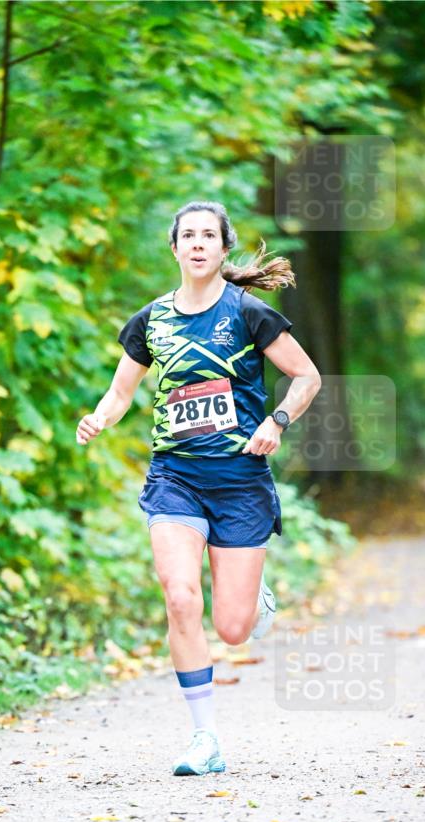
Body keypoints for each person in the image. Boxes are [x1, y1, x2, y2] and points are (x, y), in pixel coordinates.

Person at [76, 200, 322, 776]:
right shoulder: (151, 320)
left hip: (239, 482)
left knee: (233, 629)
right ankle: (204, 739)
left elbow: (306, 376)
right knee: (180, 597)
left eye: (208, 235)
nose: (197, 244)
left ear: (222, 248)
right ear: (175, 247)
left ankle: (254, 592)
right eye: (187, 235)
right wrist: (98, 417)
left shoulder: (250, 313)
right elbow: (120, 393)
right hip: (175, 479)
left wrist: (276, 421)